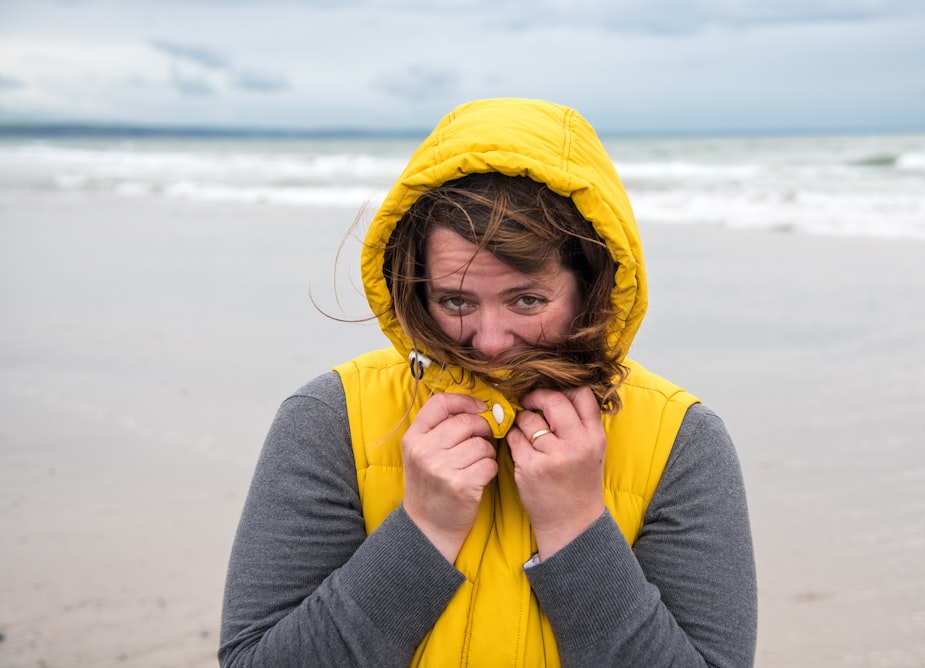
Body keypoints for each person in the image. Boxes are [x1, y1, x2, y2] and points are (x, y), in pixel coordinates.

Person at [219, 98, 757, 667]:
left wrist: (577, 526)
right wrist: (422, 529)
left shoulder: (681, 441)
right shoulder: (331, 416)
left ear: (591, 283)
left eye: (527, 300)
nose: (490, 340)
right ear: (415, 287)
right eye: (455, 300)